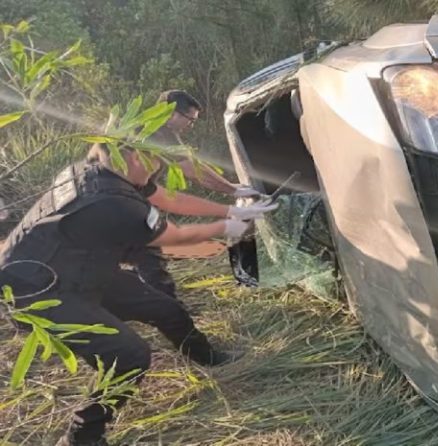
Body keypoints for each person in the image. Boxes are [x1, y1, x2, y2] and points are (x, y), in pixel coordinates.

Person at [0, 144, 277, 446]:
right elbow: (175, 236)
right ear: (132, 157)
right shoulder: (111, 202)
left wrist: (232, 209)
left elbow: (163, 197)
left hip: (78, 269)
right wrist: (228, 227)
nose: (157, 167)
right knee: (129, 355)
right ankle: (81, 438)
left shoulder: (100, 171)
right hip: (39, 293)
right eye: (153, 160)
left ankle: (207, 357)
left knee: (164, 308)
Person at [121, 89, 264, 300]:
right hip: (120, 202)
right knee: (150, 259)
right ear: (172, 113)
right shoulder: (160, 133)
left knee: (128, 256)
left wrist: (230, 186)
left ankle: (131, 291)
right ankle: (170, 311)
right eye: (190, 119)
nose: (191, 125)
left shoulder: (142, 125)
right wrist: (234, 189)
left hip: (117, 199)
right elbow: (196, 172)